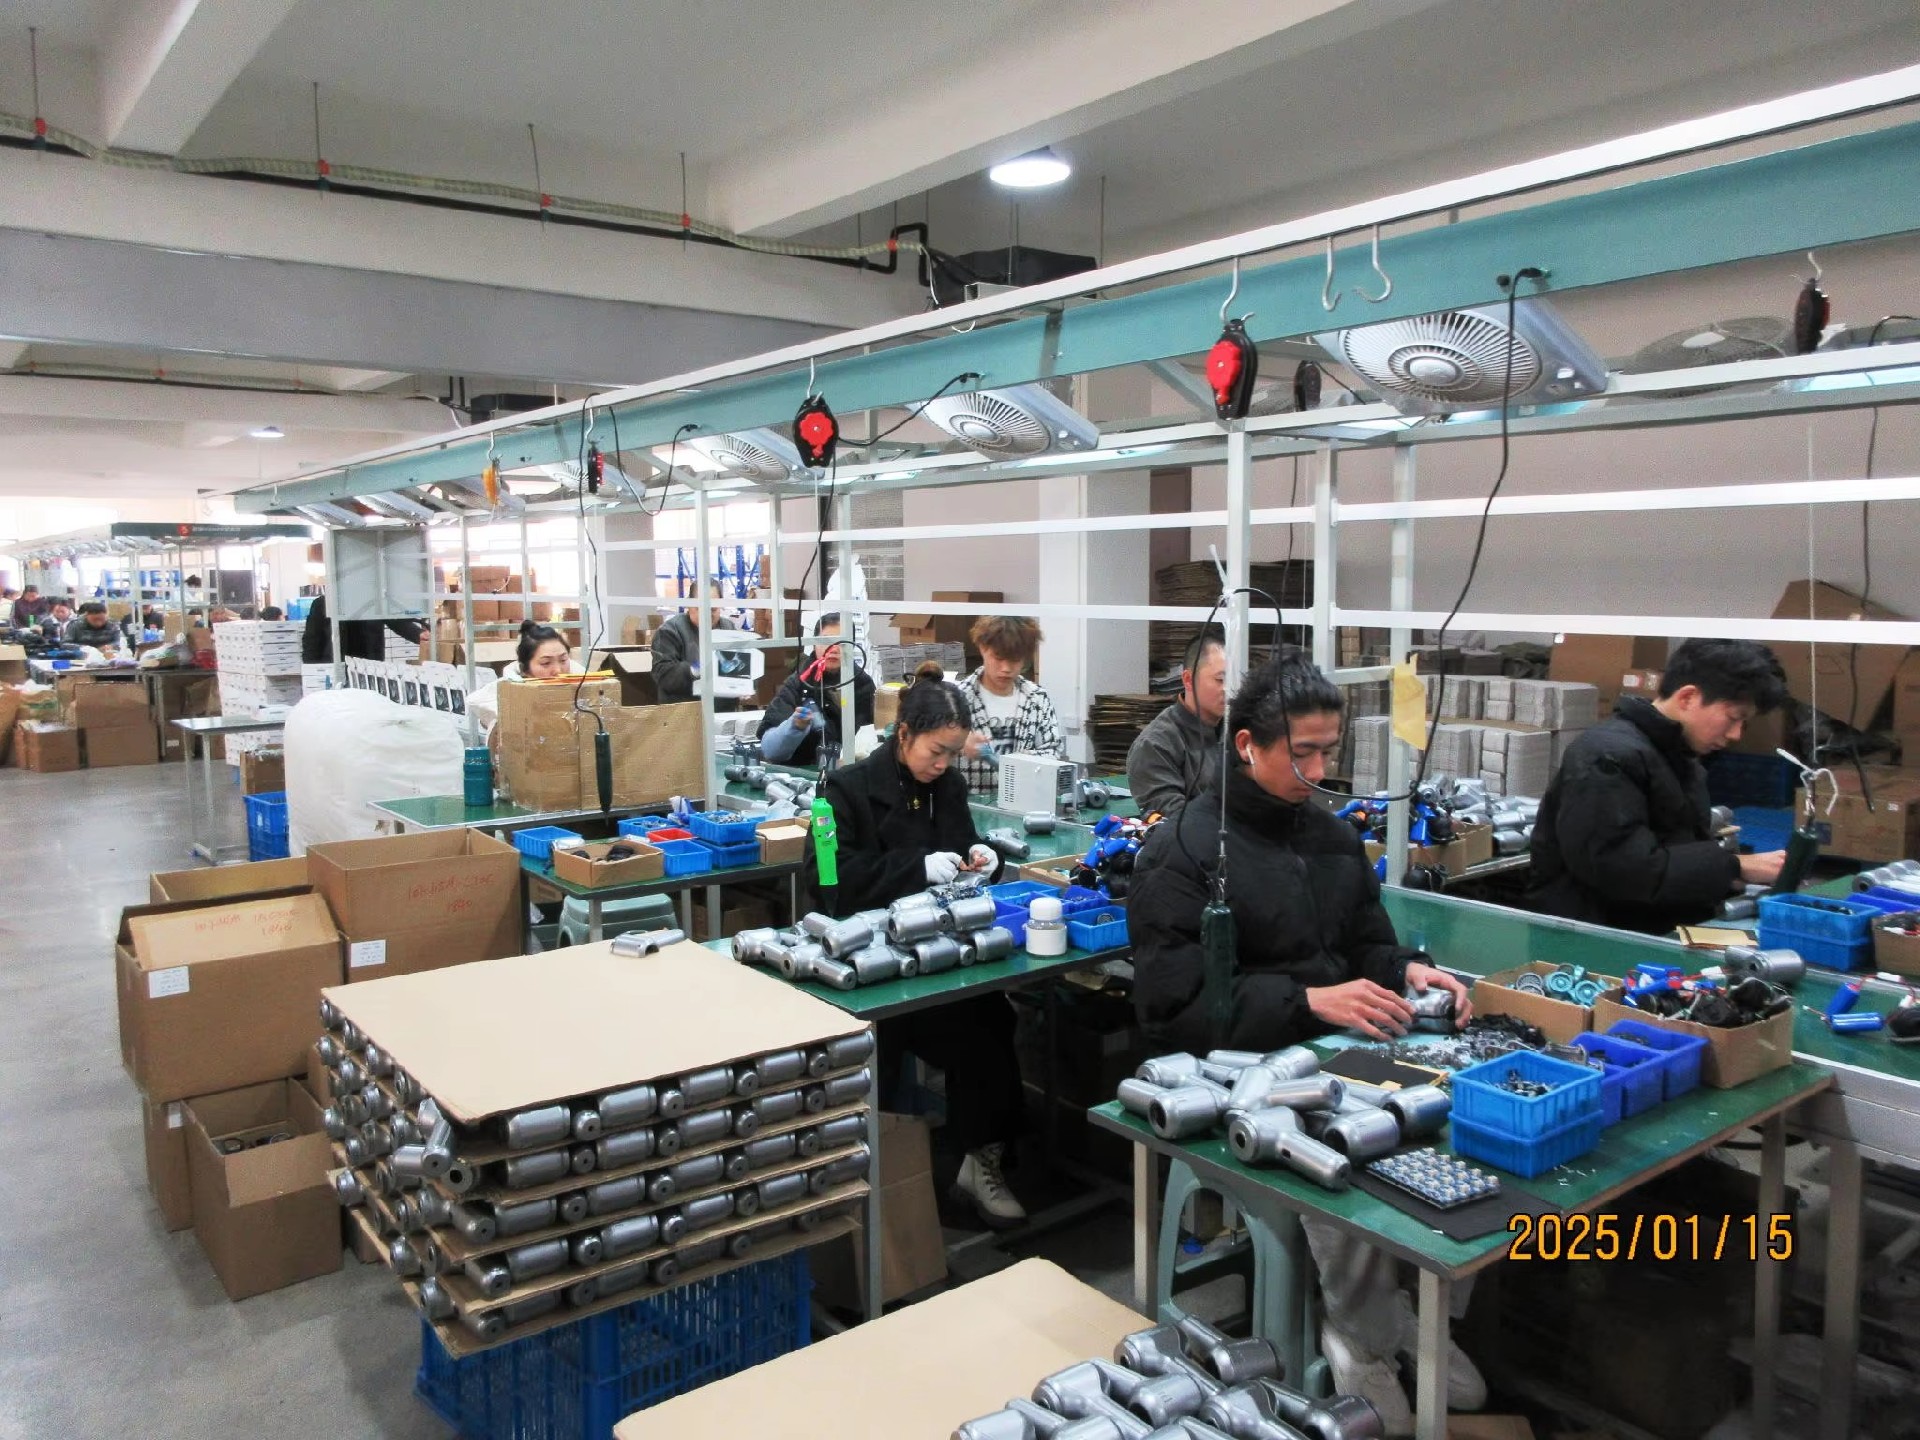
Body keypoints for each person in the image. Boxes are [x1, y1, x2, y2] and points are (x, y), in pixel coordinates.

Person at [1127, 654, 1482, 1430]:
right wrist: (1307, 1000)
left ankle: (1411, 1312)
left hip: (1343, 1043)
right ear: (1247, 745)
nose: (1320, 773)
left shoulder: (1329, 837)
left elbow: (1365, 943)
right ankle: (1360, 1340)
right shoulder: (1185, 849)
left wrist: (1407, 969)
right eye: (1303, 754)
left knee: (1463, 1132)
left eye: (1330, 752)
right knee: (1343, 1154)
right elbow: (1171, 1008)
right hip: (1245, 1069)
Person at [803, 662, 1027, 1228]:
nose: (944, 764)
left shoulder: (947, 787)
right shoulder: (842, 791)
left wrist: (982, 860)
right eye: (936, 751)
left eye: (953, 753)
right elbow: (827, 882)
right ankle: (874, 1181)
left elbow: (962, 848)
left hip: (940, 957)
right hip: (868, 967)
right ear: (903, 734)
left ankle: (979, 1158)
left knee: (993, 1023)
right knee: (881, 1054)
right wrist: (916, 869)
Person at [1528, 638, 1789, 934]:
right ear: (1687, 697)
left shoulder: (1676, 755)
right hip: (1593, 939)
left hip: (1652, 926)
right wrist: (1733, 866)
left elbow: (1676, 845)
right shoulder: (1607, 756)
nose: (1736, 734)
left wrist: (1730, 879)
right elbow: (1621, 870)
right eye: (1733, 718)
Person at [954, 615, 1064, 796]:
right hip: (970, 803)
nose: (1006, 668)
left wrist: (1015, 762)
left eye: (1014, 660)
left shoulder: (1037, 698)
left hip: (1024, 799)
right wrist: (957, 743)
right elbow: (931, 748)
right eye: (998, 658)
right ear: (982, 648)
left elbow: (1053, 750)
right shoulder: (956, 698)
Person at [1127, 631, 1227, 823]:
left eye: (1235, 680)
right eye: (1220, 680)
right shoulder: (1155, 745)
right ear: (1188, 680)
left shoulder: (1237, 732)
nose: (1229, 688)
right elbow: (1177, 822)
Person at [757, 613, 875, 768]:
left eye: (842, 642)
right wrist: (794, 727)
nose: (834, 649)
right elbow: (770, 750)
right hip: (801, 772)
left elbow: (873, 735)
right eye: (826, 641)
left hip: (848, 772)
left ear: (852, 645)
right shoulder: (798, 683)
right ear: (814, 644)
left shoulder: (863, 684)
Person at [469, 622, 575, 737]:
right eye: (546, 663)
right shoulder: (507, 694)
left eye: (563, 660)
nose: (558, 670)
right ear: (525, 670)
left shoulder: (582, 682)